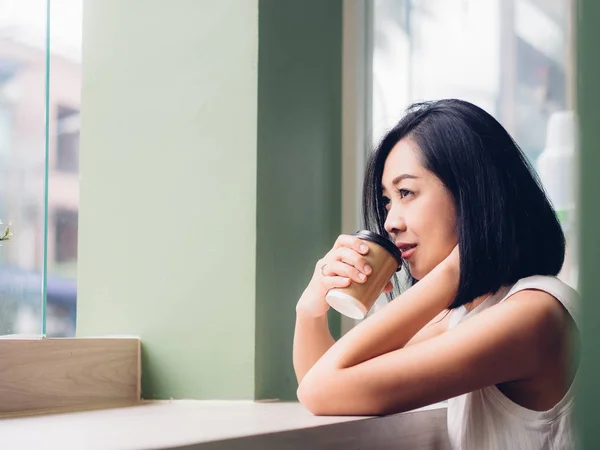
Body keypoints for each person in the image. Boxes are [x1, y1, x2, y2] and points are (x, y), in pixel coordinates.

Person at [293, 99, 578, 449]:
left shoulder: (536, 314)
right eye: (387, 201)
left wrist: (450, 274)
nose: (389, 222)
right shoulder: (469, 316)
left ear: (470, 193)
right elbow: (319, 384)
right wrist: (310, 311)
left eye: (406, 192)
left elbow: (321, 389)